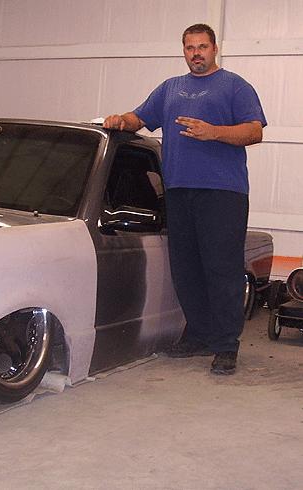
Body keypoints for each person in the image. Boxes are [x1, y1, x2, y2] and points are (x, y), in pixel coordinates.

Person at [103, 23, 267, 375]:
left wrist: (214, 132)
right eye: (190, 48)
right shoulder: (170, 88)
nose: (196, 53)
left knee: (221, 269)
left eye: (202, 47)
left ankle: (226, 345)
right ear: (184, 51)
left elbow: (254, 131)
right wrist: (121, 120)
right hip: (179, 191)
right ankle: (200, 336)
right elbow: (139, 117)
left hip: (222, 193)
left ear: (214, 49)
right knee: (187, 268)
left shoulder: (235, 86)